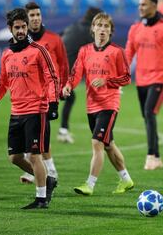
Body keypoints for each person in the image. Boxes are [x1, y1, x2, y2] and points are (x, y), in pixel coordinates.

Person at [0, 8, 59, 209]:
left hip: (36, 110)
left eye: (24, 26)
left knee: (34, 156)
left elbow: (52, 77)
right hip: (16, 112)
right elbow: (3, 83)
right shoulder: (7, 54)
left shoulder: (39, 51)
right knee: (14, 157)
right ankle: (47, 180)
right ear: (10, 29)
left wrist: (53, 102)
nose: (22, 30)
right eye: (17, 27)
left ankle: (41, 199)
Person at [62, 12, 134, 195]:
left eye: (106, 27)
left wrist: (107, 81)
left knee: (97, 142)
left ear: (111, 31)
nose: (102, 29)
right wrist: (69, 85)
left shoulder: (117, 51)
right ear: (92, 28)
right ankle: (126, 180)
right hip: (91, 105)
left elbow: (127, 78)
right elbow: (76, 72)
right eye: (99, 25)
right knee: (108, 144)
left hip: (109, 105)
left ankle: (90, 185)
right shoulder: (84, 50)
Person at [125, 0, 163, 170]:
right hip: (141, 79)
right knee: (147, 116)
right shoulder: (135, 28)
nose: (140, 7)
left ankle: (151, 155)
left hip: (159, 78)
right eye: (139, 4)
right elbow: (128, 54)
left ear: (154, 6)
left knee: (149, 113)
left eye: (144, 4)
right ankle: (157, 157)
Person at [18, 2, 69, 187]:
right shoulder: (22, 42)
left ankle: (45, 171)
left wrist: (64, 86)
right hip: (28, 94)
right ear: (26, 19)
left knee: (38, 133)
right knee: (33, 134)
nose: (36, 18)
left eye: (38, 14)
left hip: (48, 93)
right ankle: (46, 170)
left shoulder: (54, 39)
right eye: (32, 15)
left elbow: (63, 64)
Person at [58, 7, 102, 144]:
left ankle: (63, 131)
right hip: (62, 73)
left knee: (68, 98)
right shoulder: (89, 33)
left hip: (53, 69)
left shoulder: (73, 26)